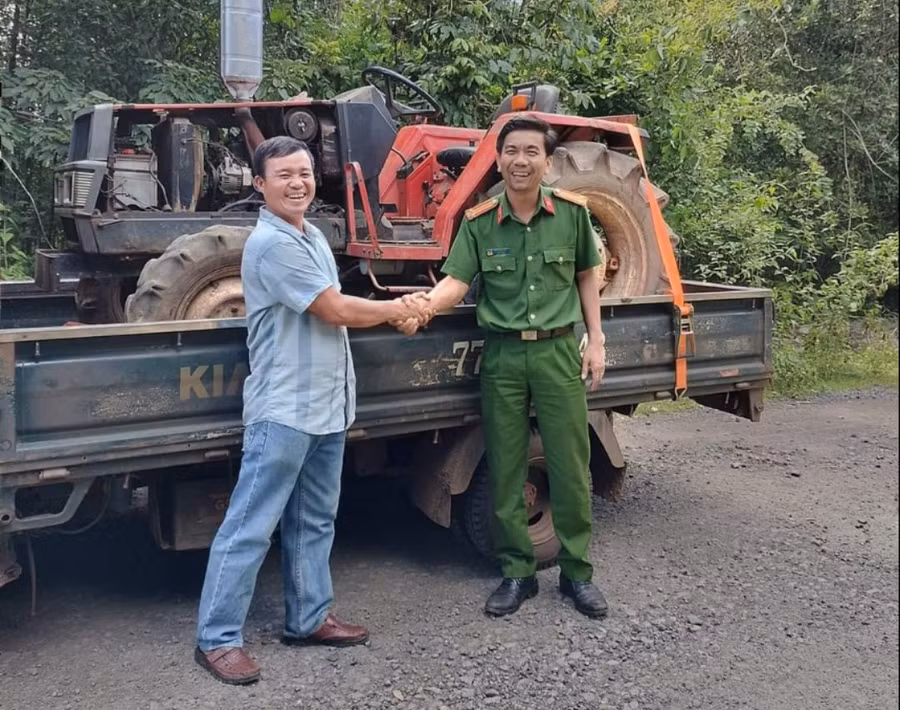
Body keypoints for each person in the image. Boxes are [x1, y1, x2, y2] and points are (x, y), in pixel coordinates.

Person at [194, 135, 431, 685]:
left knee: (315, 519)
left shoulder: (313, 237)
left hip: (327, 404)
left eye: (304, 172)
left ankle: (307, 618)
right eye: (284, 175)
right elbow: (332, 308)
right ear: (260, 185)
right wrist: (401, 308)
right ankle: (218, 639)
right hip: (284, 409)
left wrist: (397, 307)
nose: (298, 182)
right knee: (250, 527)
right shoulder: (272, 244)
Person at [399, 115, 609, 619]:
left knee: (570, 467)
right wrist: (423, 307)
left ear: (547, 159)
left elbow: (587, 275)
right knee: (508, 468)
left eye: (530, 151)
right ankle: (518, 573)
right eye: (511, 151)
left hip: (559, 352)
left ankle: (577, 573)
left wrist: (596, 338)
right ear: (499, 158)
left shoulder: (573, 215)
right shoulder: (478, 223)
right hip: (503, 356)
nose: (520, 160)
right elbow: (454, 284)